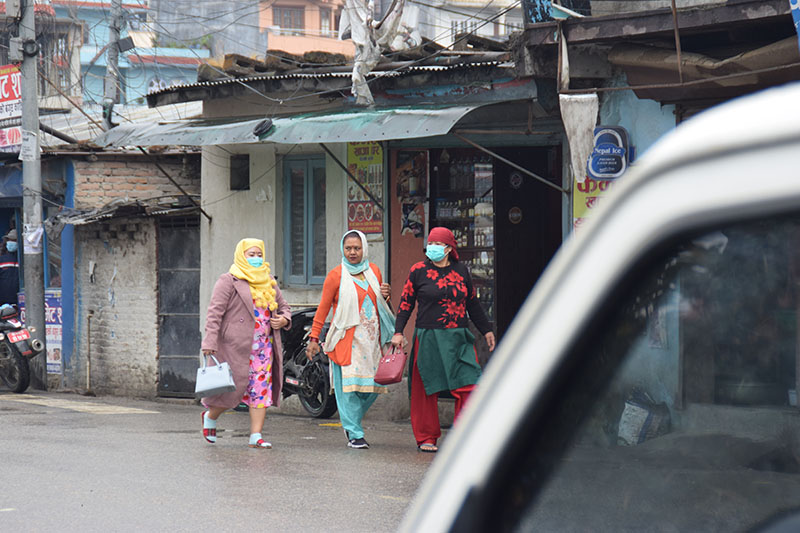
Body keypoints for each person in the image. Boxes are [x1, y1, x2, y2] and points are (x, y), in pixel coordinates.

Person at [392, 227, 496, 453]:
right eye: (431, 243)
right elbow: (406, 304)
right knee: (425, 389)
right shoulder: (418, 271)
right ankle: (426, 437)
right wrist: (398, 331)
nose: (432, 248)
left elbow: (473, 304)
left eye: (438, 244)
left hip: (458, 337)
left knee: (470, 383)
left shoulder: (462, 271)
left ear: (449, 248)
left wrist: (487, 330)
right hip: (428, 336)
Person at [306, 230, 394, 449]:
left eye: (357, 248)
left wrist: (386, 295)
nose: (353, 252)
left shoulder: (374, 271)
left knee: (373, 385)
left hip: (371, 341)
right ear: (342, 250)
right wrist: (314, 338)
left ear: (364, 248)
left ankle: (350, 421)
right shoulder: (336, 275)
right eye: (348, 248)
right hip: (346, 340)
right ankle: (354, 433)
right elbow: (323, 309)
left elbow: (380, 305)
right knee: (348, 388)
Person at [200, 238, 292, 449]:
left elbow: (284, 307)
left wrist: (284, 319)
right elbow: (215, 312)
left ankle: (256, 435)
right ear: (242, 255)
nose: (256, 259)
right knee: (231, 391)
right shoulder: (229, 280)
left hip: (263, 349)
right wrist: (210, 341)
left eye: (259, 254)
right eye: (251, 255)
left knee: (260, 391)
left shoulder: (268, 280)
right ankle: (211, 416)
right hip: (234, 348)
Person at [0, 229, 20, 306]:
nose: (11, 242)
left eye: (14, 240)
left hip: (19, 300)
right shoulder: (2, 260)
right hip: (3, 301)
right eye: (9, 240)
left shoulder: (23, 260)